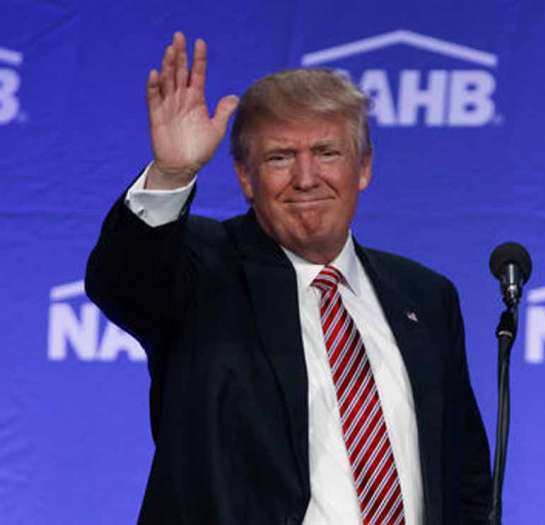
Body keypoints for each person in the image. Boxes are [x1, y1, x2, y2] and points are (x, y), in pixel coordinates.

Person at [86, 31, 492, 524]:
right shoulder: (204, 268)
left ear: (362, 168)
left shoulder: (425, 297)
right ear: (244, 176)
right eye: (279, 157)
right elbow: (125, 280)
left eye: (326, 153)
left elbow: (463, 476)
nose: (305, 178)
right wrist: (171, 174)